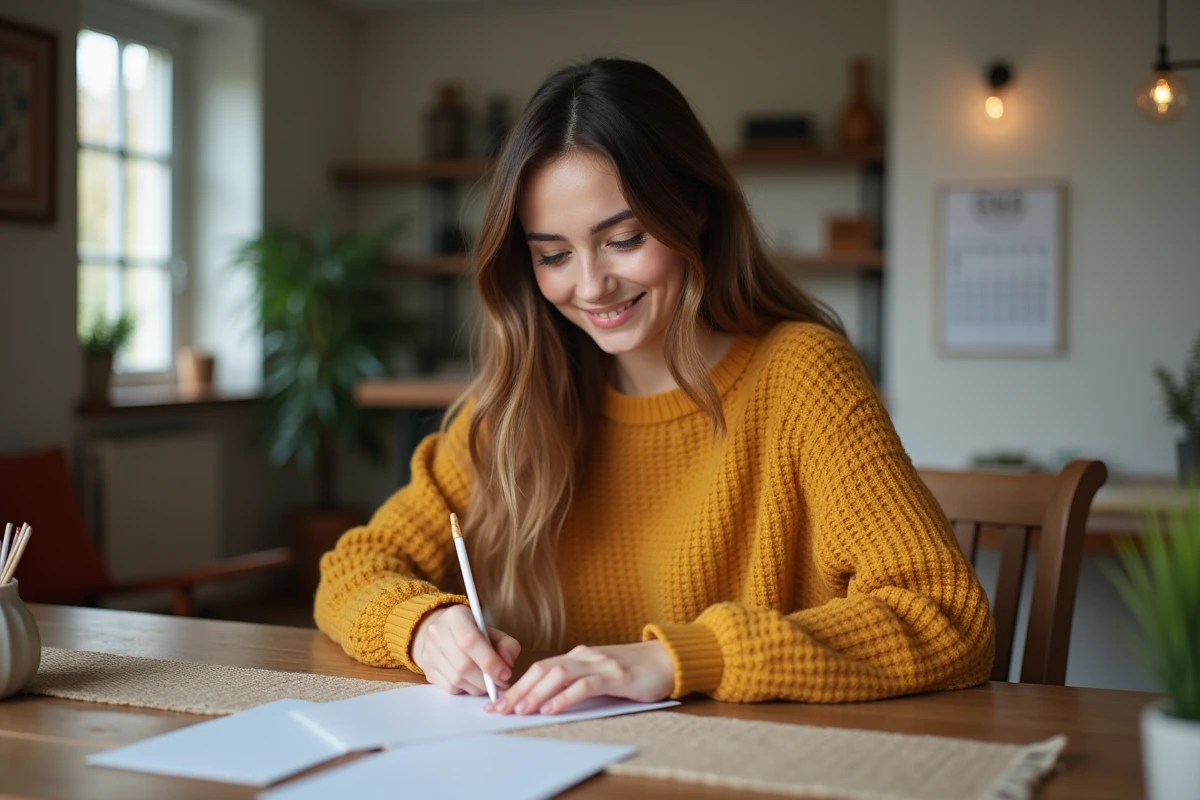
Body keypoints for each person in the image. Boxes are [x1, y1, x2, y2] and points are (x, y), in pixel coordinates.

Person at [315, 58, 995, 715]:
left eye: (625, 239)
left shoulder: (801, 376)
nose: (591, 286)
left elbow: (946, 617)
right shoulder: (520, 407)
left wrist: (679, 659)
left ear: (694, 208)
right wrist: (422, 626)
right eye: (554, 254)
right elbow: (353, 569)